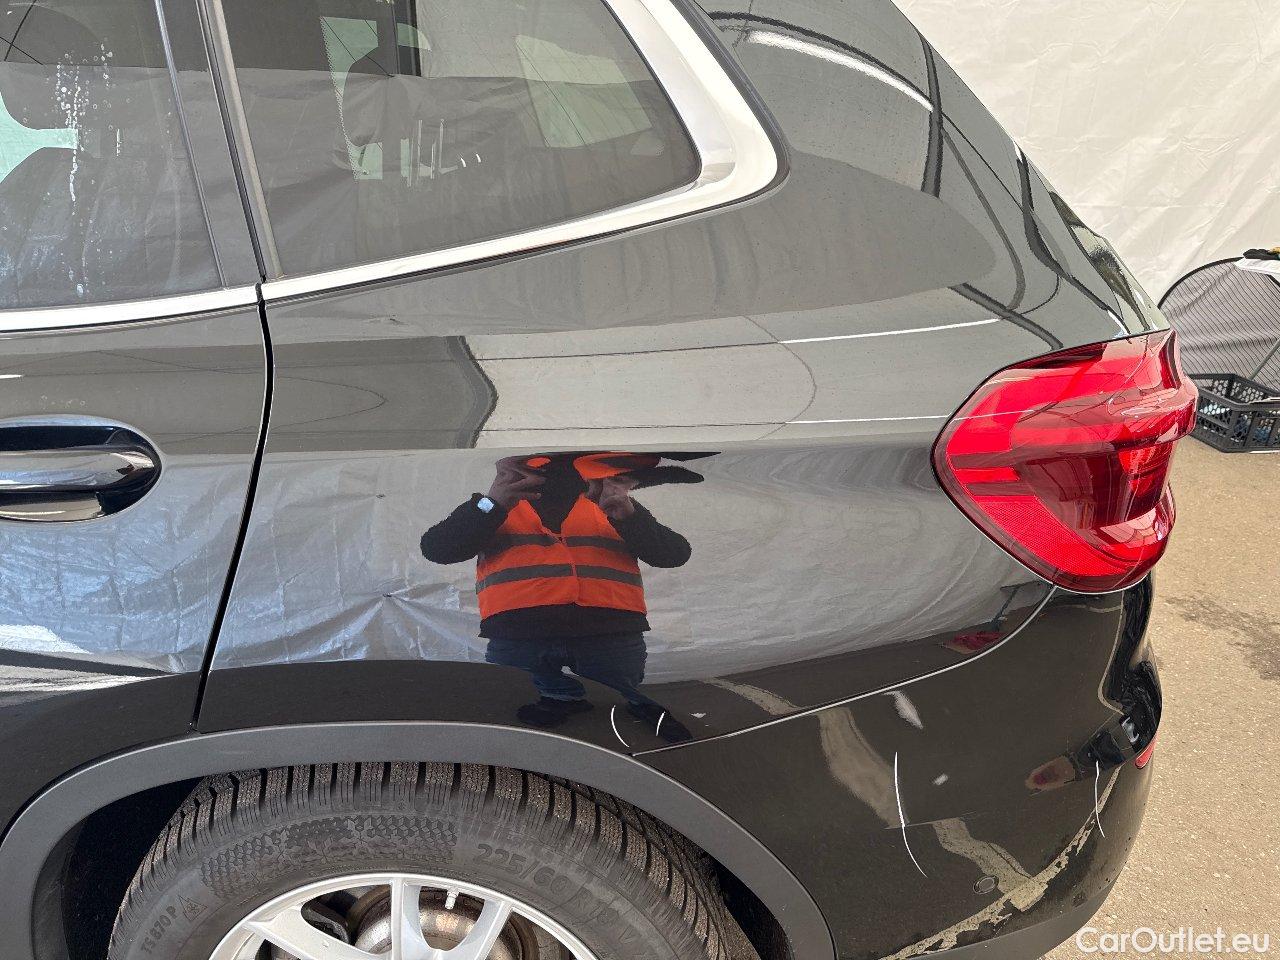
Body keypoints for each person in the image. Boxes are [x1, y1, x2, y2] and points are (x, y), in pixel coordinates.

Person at [421, 452, 698, 739]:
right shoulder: (493, 507)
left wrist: (629, 515)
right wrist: (491, 503)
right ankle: (560, 711)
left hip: (608, 633)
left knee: (617, 704)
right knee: (516, 717)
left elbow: (674, 555)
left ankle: (632, 720)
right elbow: (438, 550)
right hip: (521, 636)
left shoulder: (610, 504)